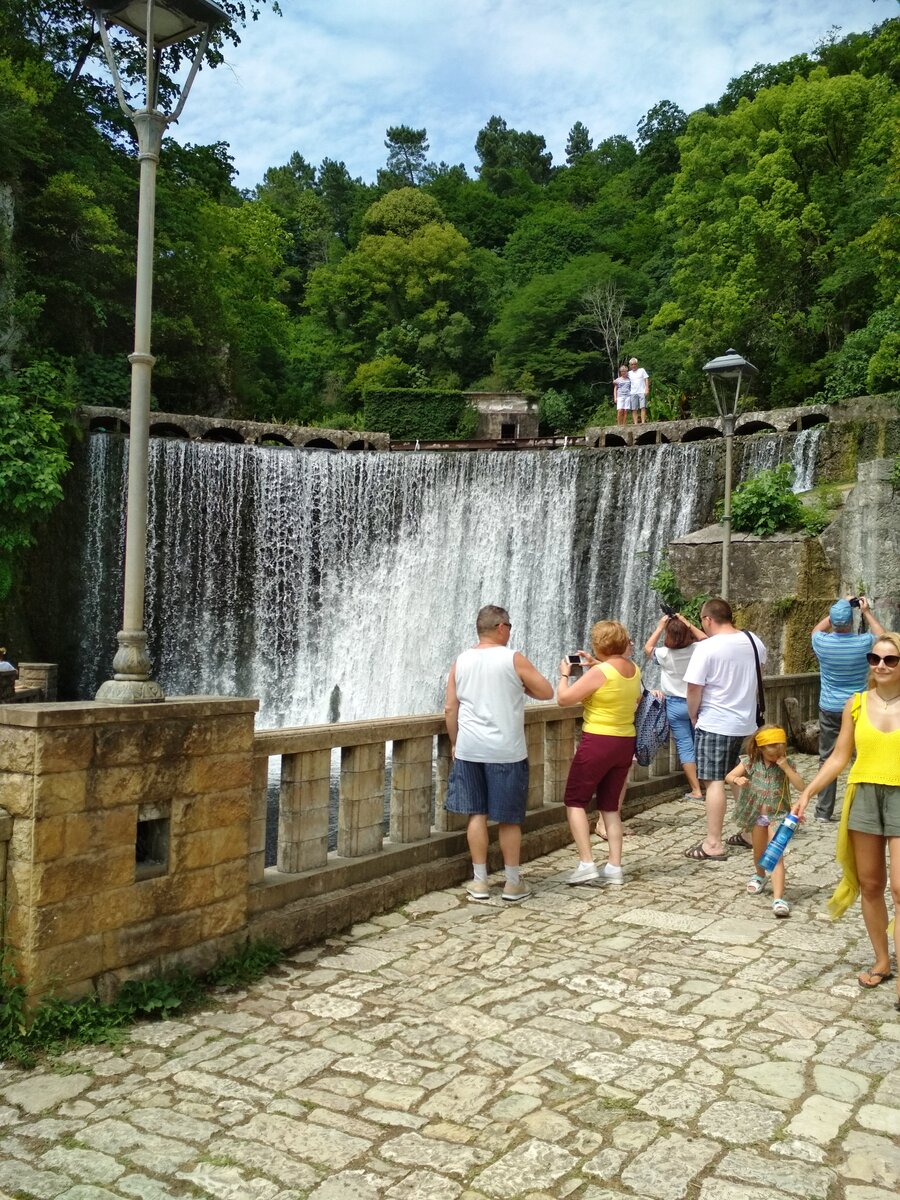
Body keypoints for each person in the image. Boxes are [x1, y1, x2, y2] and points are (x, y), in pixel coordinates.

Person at [793, 632, 900, 1005]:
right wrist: (807, 792)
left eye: (890, 659)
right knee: (871, 885)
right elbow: (838, 757)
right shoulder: (854, 704)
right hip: (864, 796)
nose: (882, 666)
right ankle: (883, 961)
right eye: (875, 659)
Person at [444, 605, 553, 903]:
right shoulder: (512, 658)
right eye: (510, 626)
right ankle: (512, 884)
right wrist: (520, 687)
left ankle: (479, 883)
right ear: (501, 627)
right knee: (508, 819)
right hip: (506, 750)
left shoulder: (461, 660)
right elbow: (546, 692)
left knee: (476, 814)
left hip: (469, 748)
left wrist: (455, 742)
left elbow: (450, 707)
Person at [556, 620, 641, 885]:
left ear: (599, 644)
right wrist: (596, 664)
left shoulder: (600, 672)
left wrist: (564, 675)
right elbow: (625, 691)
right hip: (624, 741)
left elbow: (563, 699)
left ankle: (586, 863)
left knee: (575, 800)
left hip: (598, 741)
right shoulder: (634, 669)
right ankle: (614, 867)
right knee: (610, 806)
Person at [682, 598, 767, 861]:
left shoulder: (708, 648)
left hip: (716, 722)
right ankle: (750, 834)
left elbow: (694, 688)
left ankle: (713, 843)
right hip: (747, 724)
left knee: (715, 781)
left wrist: (693, 715)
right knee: (741, 778)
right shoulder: (754, 641)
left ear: (708, 620)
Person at [810, 596, 885, 822]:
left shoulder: (821, 642)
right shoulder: (863, 643)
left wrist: (840, 606)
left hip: (830, 707)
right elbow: (883, 637)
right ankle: (862, 810)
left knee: (828, 758)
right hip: (857, 706)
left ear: (833, 622)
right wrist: (866, 612)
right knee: (860, 756)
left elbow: (816, 629)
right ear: (851, 623)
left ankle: (823, 812)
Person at [725, 725, 806, 918]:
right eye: (771, 748)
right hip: (756, 815)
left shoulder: (787, 763)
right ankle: (760, 875)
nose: (777, 752)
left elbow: (801, 786)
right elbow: (729, 776)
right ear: (760, 748)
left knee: (776, 854)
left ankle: (779, 898)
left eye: (781, 747)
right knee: (759, 851)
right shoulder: (750, 762)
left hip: (777, 815)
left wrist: (786, 768)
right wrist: (737, 781)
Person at [643, 611, 707, 799]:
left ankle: (696, 790)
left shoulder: (664, 654)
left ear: (668, 636)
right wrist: (686, 623)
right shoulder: (697, 649)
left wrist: (660, 626)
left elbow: (648, 647)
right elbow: (705, 638)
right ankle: (708, 783)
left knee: (685, 745)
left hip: (675, 705)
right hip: (698, 703)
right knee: (701, 742)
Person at [627, 357, 650, 425]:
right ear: (630, 365)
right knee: (634, 409)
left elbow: (646, 379)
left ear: (637, 364)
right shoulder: (629, 373)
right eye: (632, 364)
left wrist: (647, 389)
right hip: (633, 392)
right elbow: (624, 381)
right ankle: (636, 423)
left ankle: (643, 422)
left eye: (635, 364)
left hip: (642, 391)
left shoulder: (642, 370)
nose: (633, 365)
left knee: (643, 407)